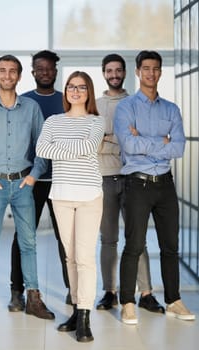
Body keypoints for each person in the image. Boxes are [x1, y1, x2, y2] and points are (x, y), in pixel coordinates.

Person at [0, 54, 55, 321]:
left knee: (28, 243)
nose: (7, 75)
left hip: (23, 183)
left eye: (12, 71)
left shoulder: (31, 108)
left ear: (19, 76)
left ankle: (33, 299)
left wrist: (34, 175)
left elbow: (43, 146)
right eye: (2, 71)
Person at [114, 50, 196, 324]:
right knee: (134, 245)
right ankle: (127, 303)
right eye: (146, 68)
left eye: (156, 69)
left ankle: (174, 300)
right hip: (137, 185)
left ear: (161, 72)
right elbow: (128, 144)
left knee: (170, 246)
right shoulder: (126, 107)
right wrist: (161, 142)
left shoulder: (171, 109)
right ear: (137, 71)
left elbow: (179, 147)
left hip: (165, 186)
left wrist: (146, 140)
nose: (151, 73)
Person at [36, 71, 105, 342]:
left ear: (88, 92)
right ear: (65, 92)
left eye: (81, 87)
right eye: (70, 87)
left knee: (85, 258)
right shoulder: (53, 121)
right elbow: (42, 150)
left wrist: (60, 146)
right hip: (61, 196)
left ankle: (85, 318)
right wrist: (73, 147)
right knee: (70, 257)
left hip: (89, 195)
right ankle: (76, 310)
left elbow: (90, 147)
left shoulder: (96, 121)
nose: (75, 91)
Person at [96, 53, 164, 313]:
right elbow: (93, 144)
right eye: (109, 70)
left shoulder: (137, 102)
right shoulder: (96, 105)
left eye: (118, 70)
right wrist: (125, 138)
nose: (114, 74)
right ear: (104, 73)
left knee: (138, 240)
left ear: (126, 72)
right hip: (104, 178)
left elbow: (147, 141)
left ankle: (146, 293)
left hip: (135, 179)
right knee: (108, 239)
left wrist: (109, 138)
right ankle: (109, 292)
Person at [8, 50, 71, 313]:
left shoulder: (67, 101)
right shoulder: (22, 102)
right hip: (30, 181)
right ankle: (16, 292)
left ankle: (73, 288)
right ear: (32, 72)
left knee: (66, 237)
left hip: (62, 180)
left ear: (56, 71)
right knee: (24, 235)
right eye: (39, 68)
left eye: (49, 68)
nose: (45, 73)